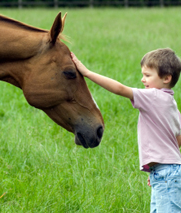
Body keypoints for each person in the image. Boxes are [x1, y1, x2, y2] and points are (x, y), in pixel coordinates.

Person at [71, 48, 181, 212]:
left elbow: (120, 89)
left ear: (166, 78)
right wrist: (157, 168)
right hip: (167, 171)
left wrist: (87, 72)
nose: (143, 80)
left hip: (166, 173)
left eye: (148, 75)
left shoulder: (153, 96)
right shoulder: (171, 103)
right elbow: (177, 139)